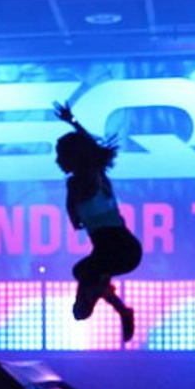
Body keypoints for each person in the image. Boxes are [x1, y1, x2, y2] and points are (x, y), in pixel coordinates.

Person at [54, 102, 142, 342]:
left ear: (74, 158)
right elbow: (93, 150)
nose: (57, 161)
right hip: (116, 249)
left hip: (120, 248)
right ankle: (118, 308)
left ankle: (99, 302)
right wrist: (71, 122)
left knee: (83, 272)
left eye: (60, 156)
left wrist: (73, 124)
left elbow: (92, 150)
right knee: (86, 273)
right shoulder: (89, 176)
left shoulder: (86, 178)